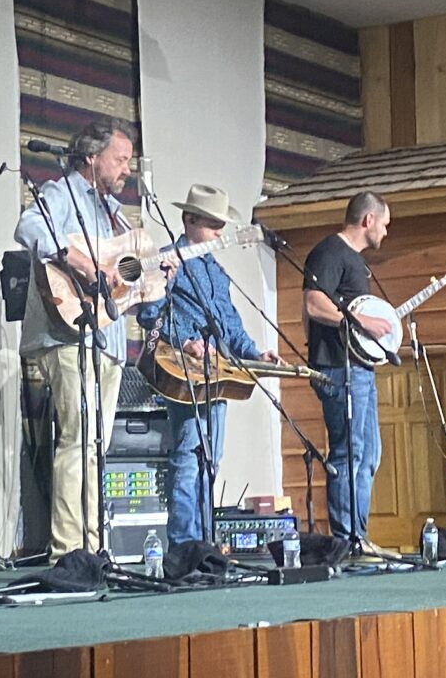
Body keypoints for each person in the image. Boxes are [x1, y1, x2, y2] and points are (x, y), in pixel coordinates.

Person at [15, 118, 137, 556]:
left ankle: (92, 544)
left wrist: (156, 274)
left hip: (108, 339)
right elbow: (29, 226)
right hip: (68, 333)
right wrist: (82, 263)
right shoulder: (62, 192)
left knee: (96, 447)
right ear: (91, 157)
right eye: (120, 159)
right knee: (78, 440)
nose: (127, 169)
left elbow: (125, 277)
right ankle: (68, 549)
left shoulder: (114, 214)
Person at [146, 183, 268, 547]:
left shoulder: (216, 271)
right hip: (184, 372)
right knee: (189, 453)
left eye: (221, 224)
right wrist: (184, 339)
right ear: (189, 221)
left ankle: (204, 540)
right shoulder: (166, 261)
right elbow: (150, 315)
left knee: (210, 458)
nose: (219, 231)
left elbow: (229, 324)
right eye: (213, 224)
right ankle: (185, 544)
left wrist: (255, 354)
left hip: (216, 374)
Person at [302, 190, 395, 554]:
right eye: (384, 224)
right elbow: (313, 304)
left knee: (369, 454)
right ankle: (347, 540)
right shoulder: (330, 252)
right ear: (368, 220)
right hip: (339, 369)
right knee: (348, 453)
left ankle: (359, 535)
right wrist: (361, 323)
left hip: (360, 368)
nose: (385, 232)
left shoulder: (354, 261)